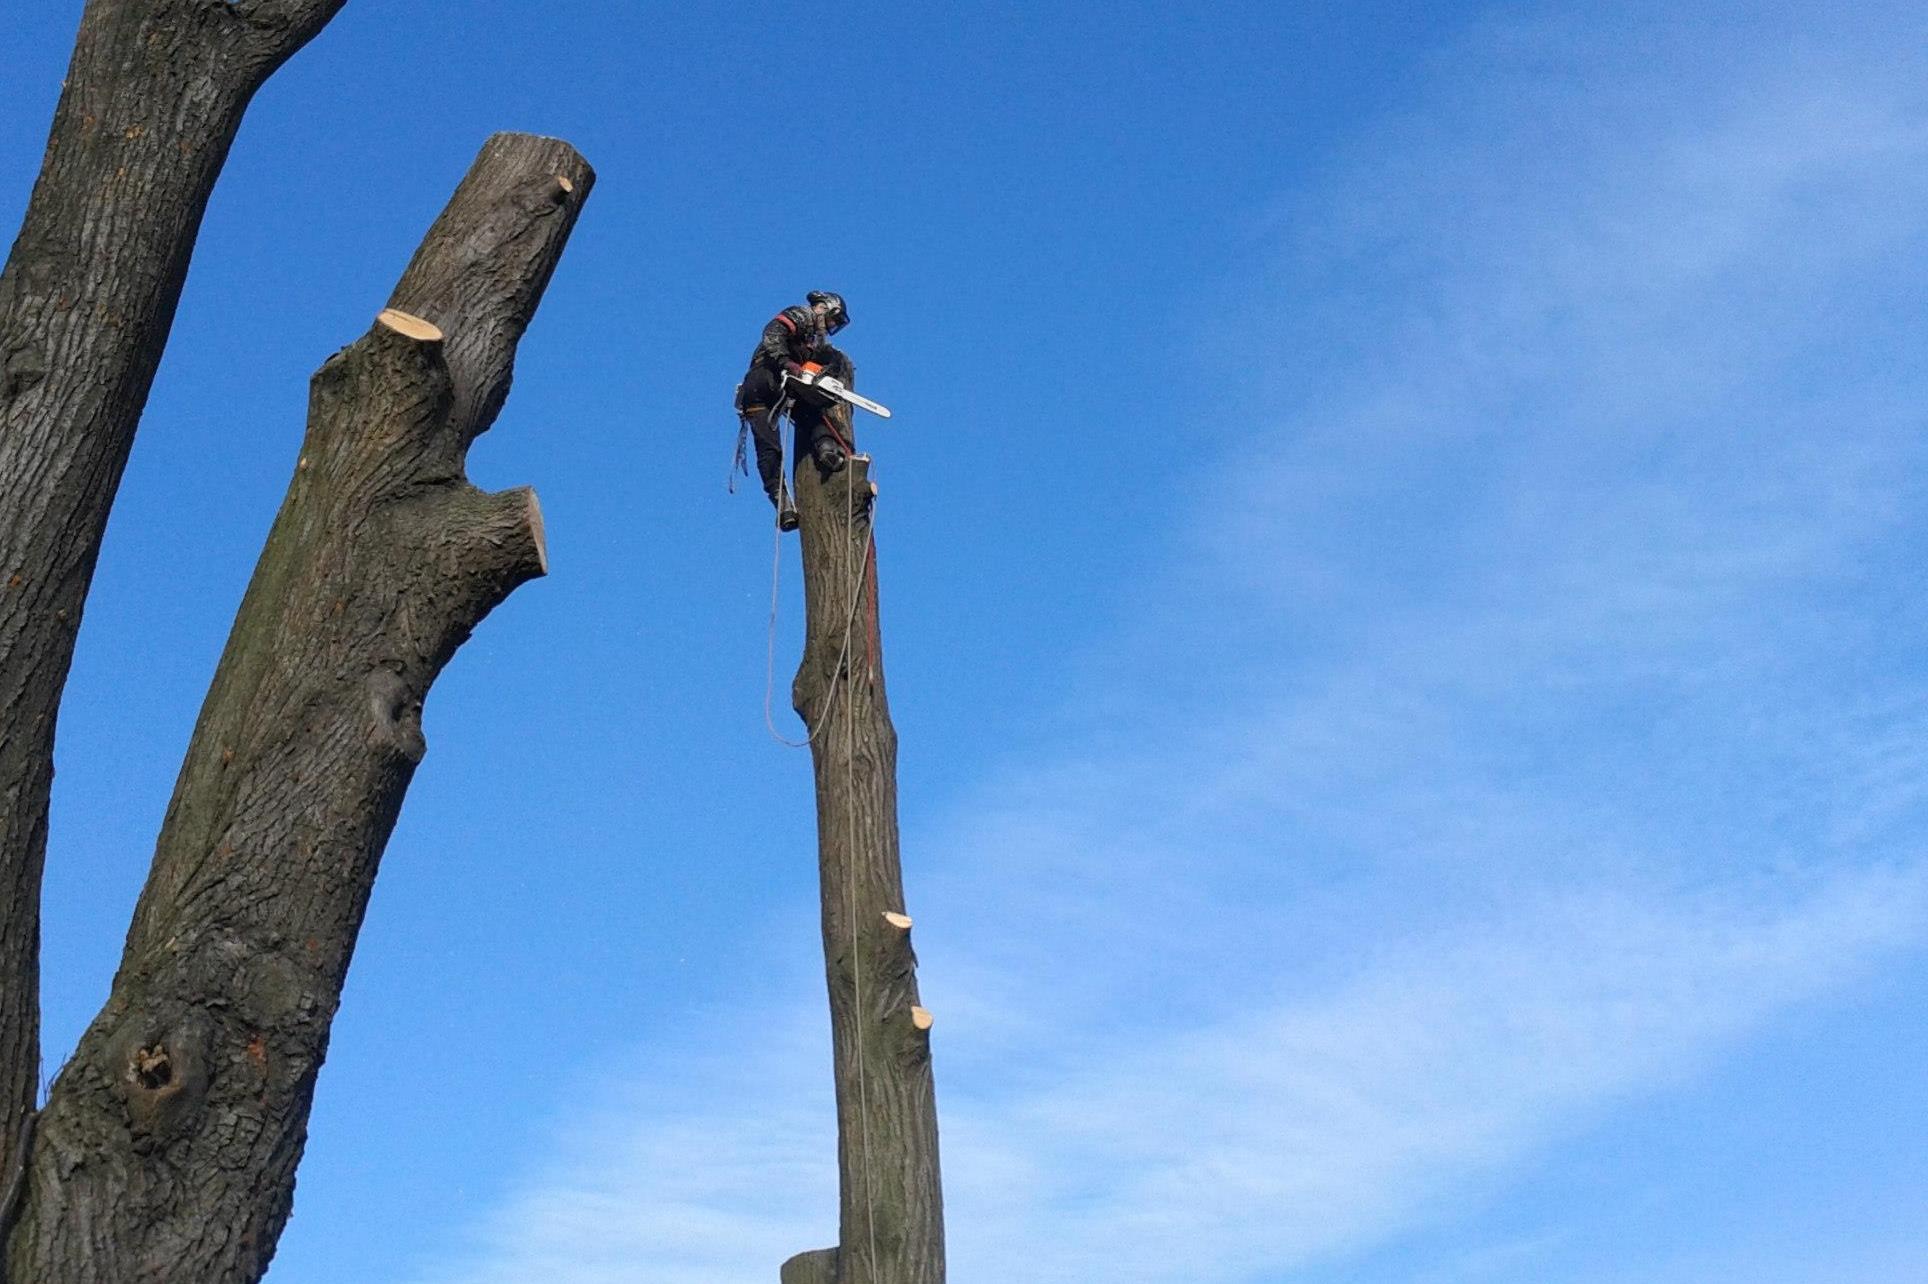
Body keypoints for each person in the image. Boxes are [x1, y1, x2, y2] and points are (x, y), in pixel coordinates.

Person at [736, 290, 855, 530]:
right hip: (764, 379)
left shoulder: (817, 343)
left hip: (785, 387)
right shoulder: (801, 316)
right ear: (824, 308)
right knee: (769, 448)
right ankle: (782, 501)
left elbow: (824, 362)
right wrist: (786, 362)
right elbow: (773, 333)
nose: (831, 326)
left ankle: (826, 447)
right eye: (833, 319)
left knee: (809, 412)